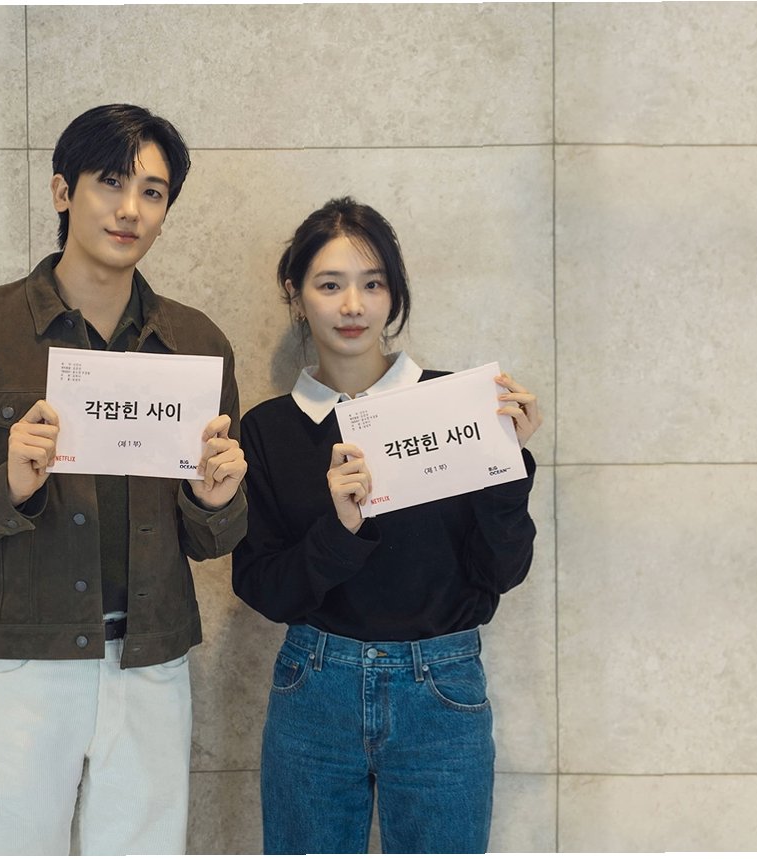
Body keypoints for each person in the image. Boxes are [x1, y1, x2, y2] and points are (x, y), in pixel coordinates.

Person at [0, 104, 248, 856]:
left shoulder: (197, 344)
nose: (130, 208)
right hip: (17, 661)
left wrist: (213, 502)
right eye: (110, 181)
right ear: (62, 191)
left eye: (152, 192)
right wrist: (8, 486)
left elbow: (212, 538)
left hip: (150, 662)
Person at [231, 197, 541, 854]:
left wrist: (508, 466)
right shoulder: (268, 430)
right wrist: (340, 530)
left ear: (395, 294)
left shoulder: (457, 407)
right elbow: (262, 586)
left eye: (373, 284)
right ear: (296, 293)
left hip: (442, 687)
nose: (353, 306)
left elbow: (502, 571)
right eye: (330, 285)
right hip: (314, 686)